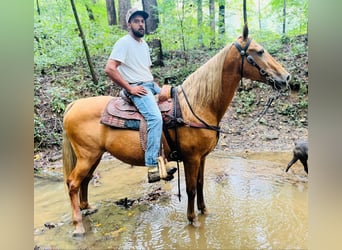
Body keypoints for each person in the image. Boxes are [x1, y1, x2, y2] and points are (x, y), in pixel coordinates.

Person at [105, 8, 176, 183]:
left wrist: (157, 87)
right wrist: (130, 88)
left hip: (149, 85)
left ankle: (167, 157)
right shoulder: (124, 43)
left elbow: (145, 70)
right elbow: (110, 68)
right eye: (136, 21)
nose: (141, 24)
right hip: (137, 88)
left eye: (142, 21)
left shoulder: (143, 45)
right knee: (155, 118)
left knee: (175, 107)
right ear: (129, 24)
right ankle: (152, 165)